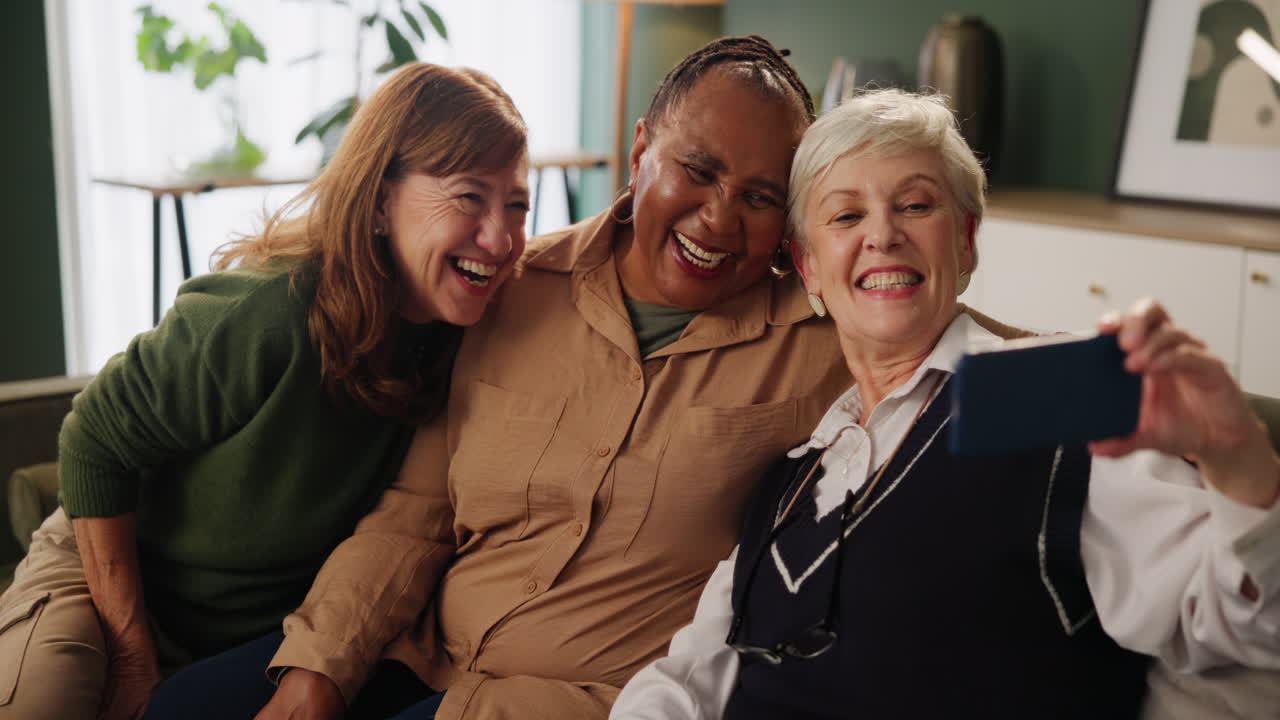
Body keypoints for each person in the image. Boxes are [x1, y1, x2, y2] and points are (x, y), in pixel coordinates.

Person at [141, 35, 885, 720]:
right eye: (698, 170)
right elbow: (417, 511)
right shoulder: (513, 287)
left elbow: (970, 352)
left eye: (759, 196)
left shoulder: (828, 338)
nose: (720, 219)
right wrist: (320, 667)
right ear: (641, 150)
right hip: (423, 652)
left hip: (572, 699)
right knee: (183, 708)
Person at [608, 89, 1280, 719]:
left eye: (915, 206)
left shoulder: (1051, 398)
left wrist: (1238, 458)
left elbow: (1248, 627)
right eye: (846, 215)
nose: (883, 235)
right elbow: (689, 681)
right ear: (808, 268)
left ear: (964, 241)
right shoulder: (791, 476)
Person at [0, 62, 530, 720]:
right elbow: (93, 440)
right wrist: (132, 651)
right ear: (381, 197)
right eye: (469, 196)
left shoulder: (465, 336)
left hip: (255, 631)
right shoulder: (270, 313)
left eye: (516, 204)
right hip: (112, 570)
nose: (502, 239)